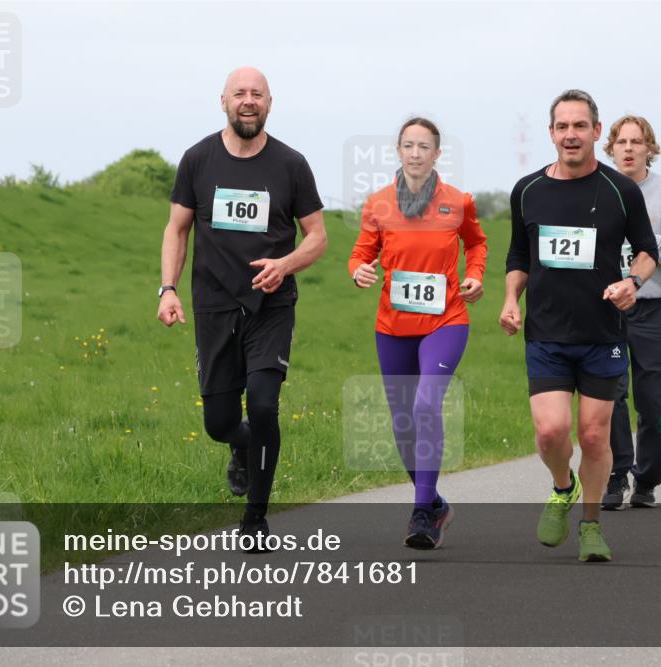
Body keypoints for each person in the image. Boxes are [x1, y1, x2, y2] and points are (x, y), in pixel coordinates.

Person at [158, 67, 327, 549]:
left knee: (266, 403)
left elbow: (317, 237)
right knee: (219, 424)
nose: (248, 101)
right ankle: (239, 444)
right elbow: (177, 229)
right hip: (213, 306)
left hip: (271, 306)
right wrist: (167, 289)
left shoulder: (291, 165)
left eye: (257, 94)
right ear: (224, 102)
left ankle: (255, 517)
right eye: (239, 94)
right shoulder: (198, 159)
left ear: (270, 103)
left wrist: (285, 264)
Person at [500, 90, 658, 562]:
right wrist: (511, 299)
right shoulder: (527, 190)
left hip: (601, 335)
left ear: (595, 131)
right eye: (562, 127)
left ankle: (591, 525)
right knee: (551, 433)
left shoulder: (620, 190)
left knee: (593, 436)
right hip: (546, 334)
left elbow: (648, 252)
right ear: (551, 133)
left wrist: (633, 281)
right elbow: (518, 255)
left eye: (580, 126)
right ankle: (562, 486)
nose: (571, 135)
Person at [349, 117, 487, 549]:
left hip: (446, 321)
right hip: (393, 326)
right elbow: (360, 254)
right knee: (403, 423)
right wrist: (360, 272)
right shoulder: (378, 204)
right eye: (408, 145)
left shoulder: (457, 202)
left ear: (436, 154)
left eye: (423, 146)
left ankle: (422, 512)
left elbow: (477, 243)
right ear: (398, 151)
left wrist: (476, 275)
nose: (415, 153)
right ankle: (437, 503)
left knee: (427, 403)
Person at [600, 115, 661, 510]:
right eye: (621, 141)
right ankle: (616, 473)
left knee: (657, 402)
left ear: (649, 149)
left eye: (637, 142)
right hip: (607, 310)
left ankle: (648, 478)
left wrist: (644, 238)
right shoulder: (598, 190)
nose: (629, 148)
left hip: (653, 309)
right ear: (611, 147)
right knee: (610, 395)